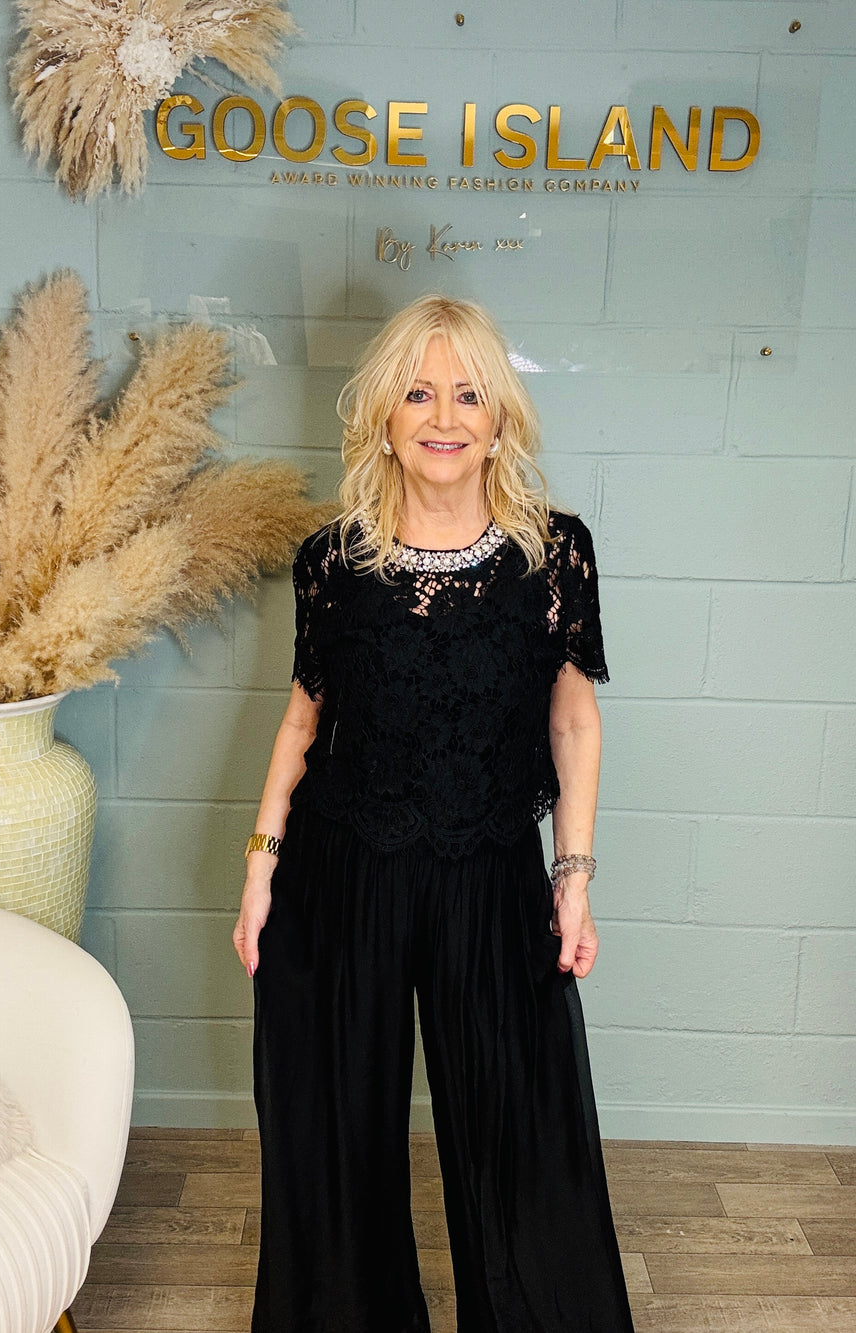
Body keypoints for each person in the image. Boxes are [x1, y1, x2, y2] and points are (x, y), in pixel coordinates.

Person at [232, 293, 635, 1333]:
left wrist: (573, 877)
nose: (443, 416)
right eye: (418, 393)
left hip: (489, 874)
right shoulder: (333, 560)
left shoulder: (554, 555)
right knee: (335, 1139)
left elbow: (574, 724)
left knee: (521, 1138)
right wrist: (261, 866)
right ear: (383, 417)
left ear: (500, 420)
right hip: (342, 875)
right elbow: (301, 720)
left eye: (468, 394)